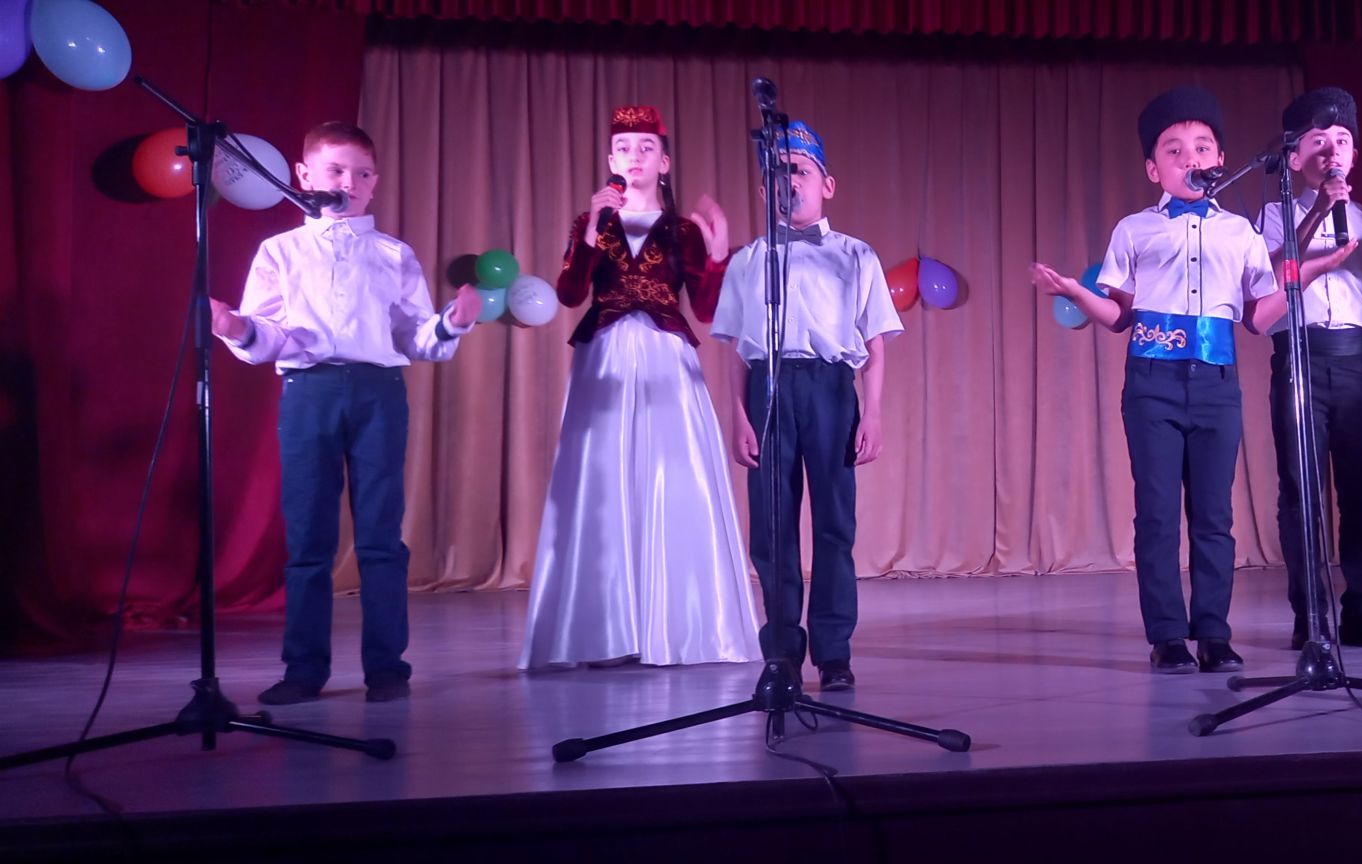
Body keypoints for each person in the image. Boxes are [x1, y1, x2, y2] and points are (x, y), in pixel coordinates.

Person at [212, 121, 481, 703]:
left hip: (378, 393)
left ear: (374, 183)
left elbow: (416, 336)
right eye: (335, 170)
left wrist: (452, 323)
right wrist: (237, 328)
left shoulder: (393, 254)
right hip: (309, 392)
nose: (348, 183)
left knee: (381, 534)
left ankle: (387, 667)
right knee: (309, 536)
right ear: (305, 175)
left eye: (361, 174)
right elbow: (272, 335)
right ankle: (304, 669)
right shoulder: (280, 251)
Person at [1032, 86, 1287, 674]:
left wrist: (1300, 278)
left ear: (1219, 158)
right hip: (1152, 382)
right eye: (1174, 150)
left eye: (1202, 147)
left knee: (1215, 516)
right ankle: (1168, 635)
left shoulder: (1241, 232)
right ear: (1154, 168)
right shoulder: (1134, 230)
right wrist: (1075, 291)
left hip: (1217, 381)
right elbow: (1119, 316)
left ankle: (1214, 633)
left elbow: (1257, 317)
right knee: (1157, 513)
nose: (1190, 157)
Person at [518, 104, 760, 671]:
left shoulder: (682, 231)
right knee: (603, 482)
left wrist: (718, 255)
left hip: (666, 358)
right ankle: (603, 629)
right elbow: (570, 294)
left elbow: (706, 310)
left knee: (670, 479)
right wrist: (590, 235)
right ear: (611, 159)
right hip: (603, 358)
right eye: (624, 148)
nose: (635, 156)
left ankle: (678, 626)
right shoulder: (593, 221)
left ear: (664, 162)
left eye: (646, 148)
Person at [710, 119, 903, 692]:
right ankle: (782, 652)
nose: (788, 181)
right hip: (769, 386)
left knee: (834, 524)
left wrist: (873, 413)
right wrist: (738, 415)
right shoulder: (750, 260)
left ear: (826, 185)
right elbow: (737, 349)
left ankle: (834, 652)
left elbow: (874, 343)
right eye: (777, 173)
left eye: (799, 170)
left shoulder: (855, 255)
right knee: (772, 530)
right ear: (764, 189)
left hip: (829, 386)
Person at [1261, 87, 1362, 650]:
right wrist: (1320, 211)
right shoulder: (1273, 216)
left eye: (1343, 141)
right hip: (1299, 355)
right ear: (1294, 158)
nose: (1332, 151)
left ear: (1355, 154)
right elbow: (1274, 274)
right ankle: (1310, 615)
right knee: (1300, 489)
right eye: (1319, 141)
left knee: (1361, 489)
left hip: (1356, 359)